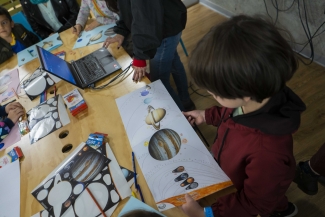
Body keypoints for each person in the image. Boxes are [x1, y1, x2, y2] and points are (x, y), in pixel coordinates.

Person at [181, 15, 306, 217]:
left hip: (257, 198)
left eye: (215, 93)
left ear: (244, 93)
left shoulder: (267, 152)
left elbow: (253, 203)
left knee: (271, 201)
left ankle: (284, 211)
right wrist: (206, 115)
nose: (211, 95)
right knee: (267, 190)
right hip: (235, 171)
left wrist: (206, 214)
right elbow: (229, 113)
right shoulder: (254, 98)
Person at [103, 0, 195, 111]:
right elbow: (128, 8)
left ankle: (186, 119)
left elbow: (146, 21)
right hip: (167, 25)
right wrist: (121, 31)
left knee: (159, 83)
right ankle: (185, 101)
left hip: (163, 31)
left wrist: (140, 57)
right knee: (173, 62)